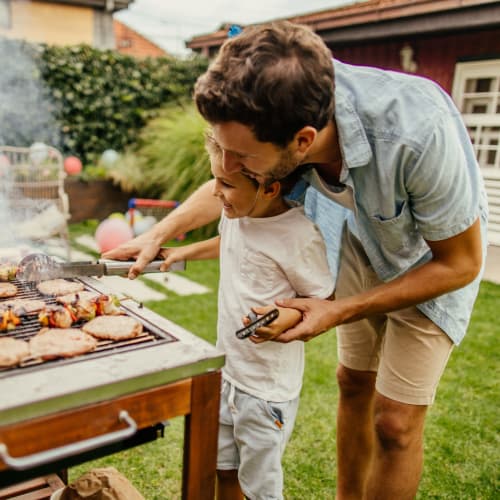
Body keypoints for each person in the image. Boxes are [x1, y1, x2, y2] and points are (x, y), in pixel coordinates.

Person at [103, 21, 488, 499]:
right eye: (220, 147)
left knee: (394, 424)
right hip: (358, 242)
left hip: (431, 259)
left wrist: (338, 309)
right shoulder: (276, 109)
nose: (224, 167)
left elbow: (462, 263)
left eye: (238, 155)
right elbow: (233, 183)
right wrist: (159, 232)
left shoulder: (416, 130)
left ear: (303, 142)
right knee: (351, 383)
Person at [157, 135, 334, 499]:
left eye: (225, 184)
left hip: (265, 391)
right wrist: (181, 251)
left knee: (260, 489)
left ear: (268, 188)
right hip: (228, 374)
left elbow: (322, 298)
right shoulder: (237, 214)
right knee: (224, 469)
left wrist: (285, 318)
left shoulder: (299, 235)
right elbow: (229, 244)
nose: (216, 193)